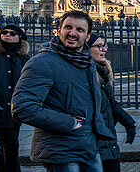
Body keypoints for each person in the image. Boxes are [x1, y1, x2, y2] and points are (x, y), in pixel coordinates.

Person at [13, 11, 115, 172]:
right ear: (59, 30)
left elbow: (91, 104)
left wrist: (99, 131)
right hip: (61, 150)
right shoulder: (42, 62)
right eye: (68, 27)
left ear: (87, 37)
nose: (73, 33)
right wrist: (69, 123)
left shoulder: (86, 62)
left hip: (88, 147)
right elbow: (22, 108)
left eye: (80, 30)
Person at [86, 34, 136, 172]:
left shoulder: (103, 71)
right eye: (99, 46)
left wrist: (128, 122)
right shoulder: (86, 75)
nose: (104, 49)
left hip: (106, 138)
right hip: (95, 140)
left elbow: (111, 103)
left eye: (104, 45)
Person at [0, 24, 30, 172]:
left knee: (6, 145)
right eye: (4, 32)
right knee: (11, 144)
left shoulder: (23, 57)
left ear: (19, 37)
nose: (8, 35)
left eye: (12, 33)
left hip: (16, 108)